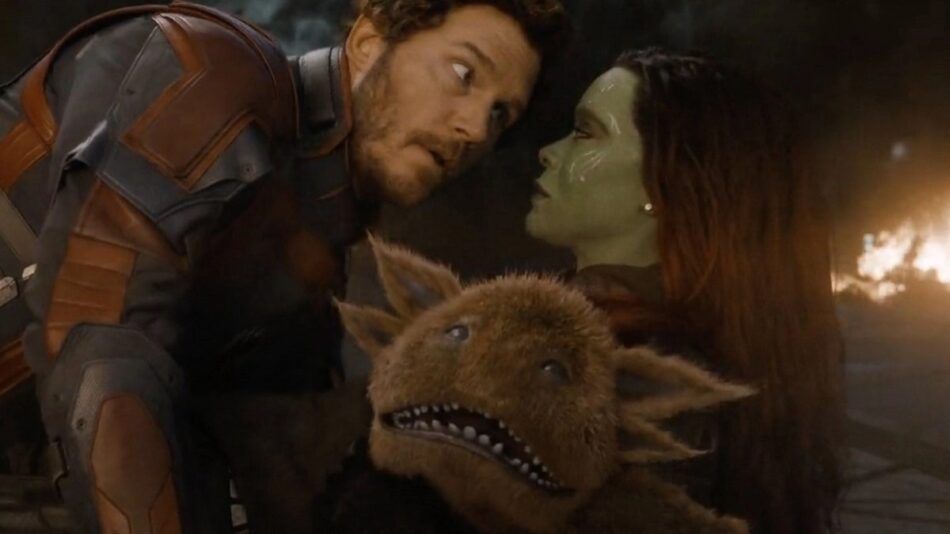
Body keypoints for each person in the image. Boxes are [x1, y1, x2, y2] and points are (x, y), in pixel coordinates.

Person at [0, 0, 568, 531]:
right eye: (463, 73)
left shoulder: (318, 245)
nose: (476, 128)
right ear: (370, 42)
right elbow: (102, 338)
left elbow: (265, 450)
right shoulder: (209, 70)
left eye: (500, 113)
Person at [526, 48, 843, 534]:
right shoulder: (588, 334)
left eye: (586, 133)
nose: (549, 151)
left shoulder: (646, 386)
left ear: (661, 186)